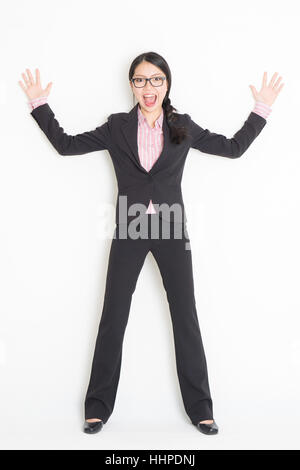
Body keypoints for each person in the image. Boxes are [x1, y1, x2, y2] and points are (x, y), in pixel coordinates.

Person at [19, 52, 283, 436]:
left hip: (172, 228)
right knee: (114, 316)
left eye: (156, 80)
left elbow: (232, 148)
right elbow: (66, 145)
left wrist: (261, 109)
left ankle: (201, 410)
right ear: (132, 85)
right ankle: (97, 409)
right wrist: (39, 105)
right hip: (130, 227)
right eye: (141, 80)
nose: (149, 88)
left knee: (185, 317)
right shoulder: (116, 127)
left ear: (167, 84)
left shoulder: (182, 125)